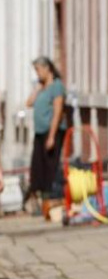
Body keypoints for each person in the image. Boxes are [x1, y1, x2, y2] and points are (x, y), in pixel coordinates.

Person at [25, 57, 66, 219]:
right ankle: (43, 204)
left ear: (47, 68)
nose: (37, 73)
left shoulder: (57, 86)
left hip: (52, 132)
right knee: (37, 168)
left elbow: (57, 111)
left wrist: (51, 136)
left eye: (38, 70)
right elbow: (28, 103)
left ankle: (50, 204)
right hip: (39, 132)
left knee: (50, 168)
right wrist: (37, 87)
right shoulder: (41, 88)